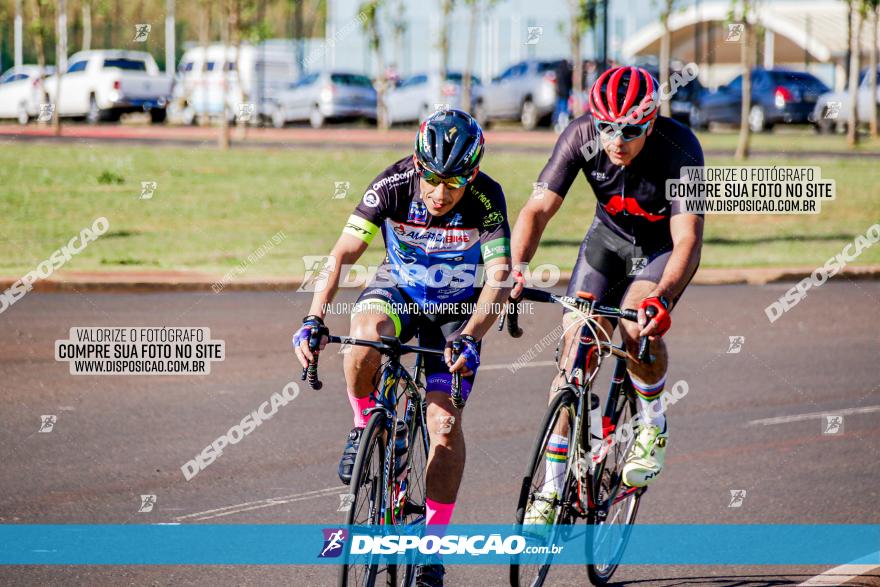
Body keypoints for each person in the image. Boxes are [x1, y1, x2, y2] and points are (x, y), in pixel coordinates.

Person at [293, 109, 511, 585]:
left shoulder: (487, 198)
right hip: (401, 290)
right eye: (431, 178)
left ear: (471, 175)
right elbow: (343, 254)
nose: (439, 192)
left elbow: (498, 278)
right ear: (417, 165)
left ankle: (431, 548)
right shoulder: (393, 184)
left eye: (453, 183)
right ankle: (361, 423)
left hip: (457, 309)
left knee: (444, 424)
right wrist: (314, 316)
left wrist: (472, 336)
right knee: (364, 334)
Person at [510, 66, 704, 523]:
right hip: (607, 244)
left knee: (636, 325)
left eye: (631, 129)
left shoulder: (683, 148)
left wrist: (664, 296)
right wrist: (514, 268)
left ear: (652, 121)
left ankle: (653, 422)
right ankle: (551, 491)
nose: (617, 139)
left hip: (658, 251)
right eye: (607, 127)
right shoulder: (580, 135)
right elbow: (537, 209)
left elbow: (688, 241)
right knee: (573, 354)